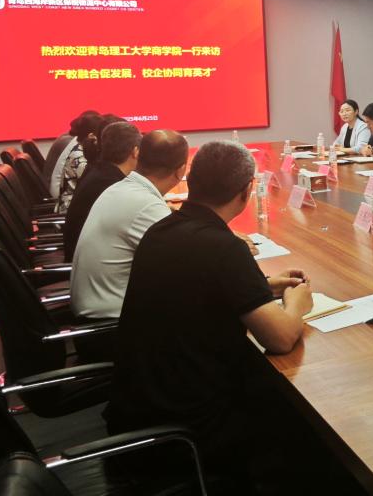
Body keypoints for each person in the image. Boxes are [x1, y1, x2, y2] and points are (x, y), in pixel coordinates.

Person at [104, 141, 343, 494]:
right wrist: (297, 302)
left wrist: (263, 286)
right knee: (307, 421)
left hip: (138, 407)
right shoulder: (224, 247)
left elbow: (203, 285)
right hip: (189, 425)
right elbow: (280, 338)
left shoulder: (163, 229)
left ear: (191, 179)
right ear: (247, 191)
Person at [70, 129, 189, 319]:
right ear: (182, 170)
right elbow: (188, 261)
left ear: (138, 156)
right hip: (112, 320)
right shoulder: (146, 205)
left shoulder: (121, 188)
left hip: (98, 305)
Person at [62, 121, 141, 263]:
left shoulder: (101, 171)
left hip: (86, 256)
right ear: (135, 152)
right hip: (88, 262)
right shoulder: (111, 184)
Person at [55, 111, 104, 211]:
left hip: (80, 205)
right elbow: (94, 184)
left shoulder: (81, 149)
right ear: (92, 136)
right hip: (71, 210)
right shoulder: (78, 156)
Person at [45, 108, 99, 195]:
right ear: (91, 135)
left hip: (55, 188)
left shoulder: (70, 139)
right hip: (58, 194)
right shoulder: (72, 145)